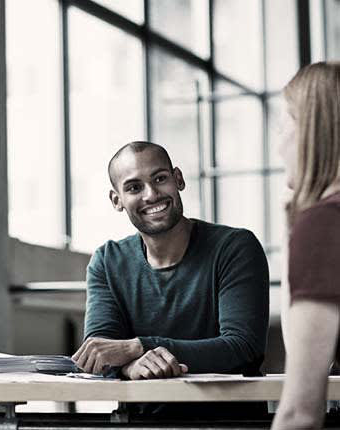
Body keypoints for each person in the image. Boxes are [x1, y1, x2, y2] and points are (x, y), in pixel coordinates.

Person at [71, 141, 270, 417]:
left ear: (178, 179)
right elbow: (101, 351)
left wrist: (139, 347)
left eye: (160, 179)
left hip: (230, 422)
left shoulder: (235, 247)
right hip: (141, 422)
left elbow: (243, 347)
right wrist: (130, 366)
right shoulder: (107, 260)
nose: (151, 194)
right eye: (133, 187)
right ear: (117, 200)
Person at [271, 61, 340, 429]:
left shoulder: (326, 224)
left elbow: (300, 411)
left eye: (284, 125)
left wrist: (302, 230)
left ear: (312, 132)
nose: (279, 145)